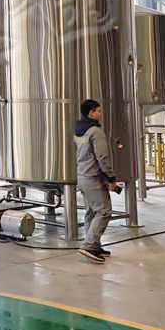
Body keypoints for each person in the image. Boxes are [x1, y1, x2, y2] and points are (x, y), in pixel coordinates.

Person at [74, 99, 120, 263]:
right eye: (98, 111)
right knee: (104, 211)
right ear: (91, 112)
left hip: (82, 176)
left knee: (91, 212)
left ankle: (95, 244)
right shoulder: (95, 131)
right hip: (93, 177)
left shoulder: (79, 130)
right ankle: (89, 245)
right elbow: (102, 157)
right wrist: (111, 178)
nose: (100, 114)